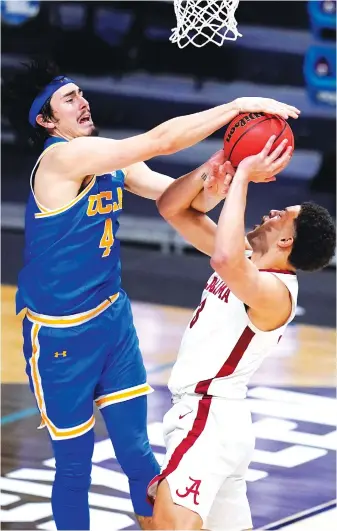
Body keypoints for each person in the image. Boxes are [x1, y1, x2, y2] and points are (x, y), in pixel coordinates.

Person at [2, 56, 301, 531]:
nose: (83, 102)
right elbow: (161, 141)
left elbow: (179, 199)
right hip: (61, 336)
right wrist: (238, 107)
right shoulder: (61, 158)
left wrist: (218, 171)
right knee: (75, 466)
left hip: (112, 324)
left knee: (140, 457)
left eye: (82, 92)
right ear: (45, 120)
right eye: (68, 98)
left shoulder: (106, 159)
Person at [148, 137, 336, 531]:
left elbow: (223, 257)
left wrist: (245, 178)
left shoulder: (275, 293)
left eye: (280, 215)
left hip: (207, 415)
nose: (270, 212)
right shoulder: (249, 263)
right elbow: (171, 208)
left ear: (286, 241)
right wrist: (220, 162)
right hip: (219, 421)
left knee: (163, 523)